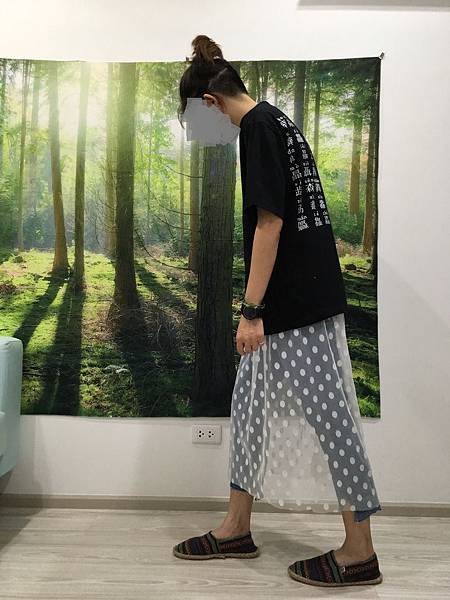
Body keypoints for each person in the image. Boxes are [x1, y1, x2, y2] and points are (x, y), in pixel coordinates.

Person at [173, 34, 383, 587]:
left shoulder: (258, 128)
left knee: (331, 418)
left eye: (197, 121)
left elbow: (270, 225)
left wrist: (250, 310)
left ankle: (359, 551)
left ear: (211, 102)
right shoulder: (277, 122)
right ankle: (236, 528)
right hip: (297, 299)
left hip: (295, 305)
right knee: (249, 407)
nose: (202, 134)